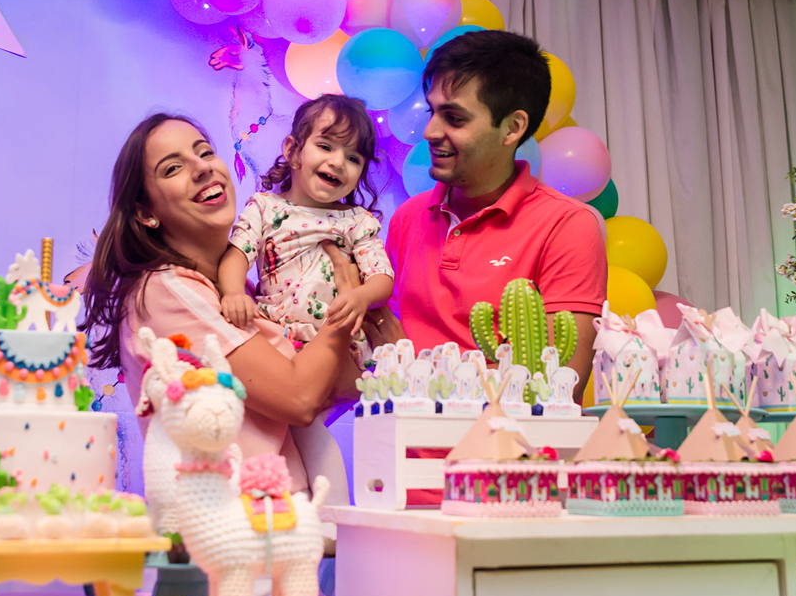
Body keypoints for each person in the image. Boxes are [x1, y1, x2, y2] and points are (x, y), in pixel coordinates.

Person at [81, 113, 358, 500]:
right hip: (232, 522)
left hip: (283, 516)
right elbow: (301, 397)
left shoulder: (242, 290)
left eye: (205, 152)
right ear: (145, 213)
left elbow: (341, 384)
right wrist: (348, 300)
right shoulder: (166, 289)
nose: (201, 167)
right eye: (173, 168)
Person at [374, 30, 606, 395]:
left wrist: (413, 371)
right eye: (432, 111)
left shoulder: (567, 225)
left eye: (454, 118)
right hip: (398, 431)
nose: (430, 131)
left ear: (512, 128)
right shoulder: (408, 217)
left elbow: (556, 386)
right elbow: (379, 347)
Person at [218, 95, 393, 368]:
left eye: (353, 158)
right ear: (293, 151)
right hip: (276, 336)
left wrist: (363, 296)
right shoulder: (265, 207)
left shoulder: (357, 221)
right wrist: (233, 293)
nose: (338, 162)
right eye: (325, 146)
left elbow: (381, 276)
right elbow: (237, 254)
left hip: (341, 345)